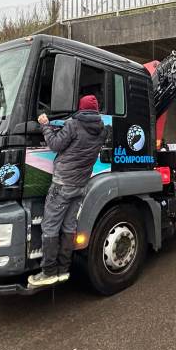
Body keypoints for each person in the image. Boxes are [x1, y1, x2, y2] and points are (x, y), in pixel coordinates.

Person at [28, 94, 108, 288]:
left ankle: (48, 272)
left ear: (80, 108)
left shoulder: (73, 124)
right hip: (81, 185)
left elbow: (55, 145)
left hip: (62, 184)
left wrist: (45, 124)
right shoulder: (102, 130)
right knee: (69, 227)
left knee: (50, 227)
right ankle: (63, 270)